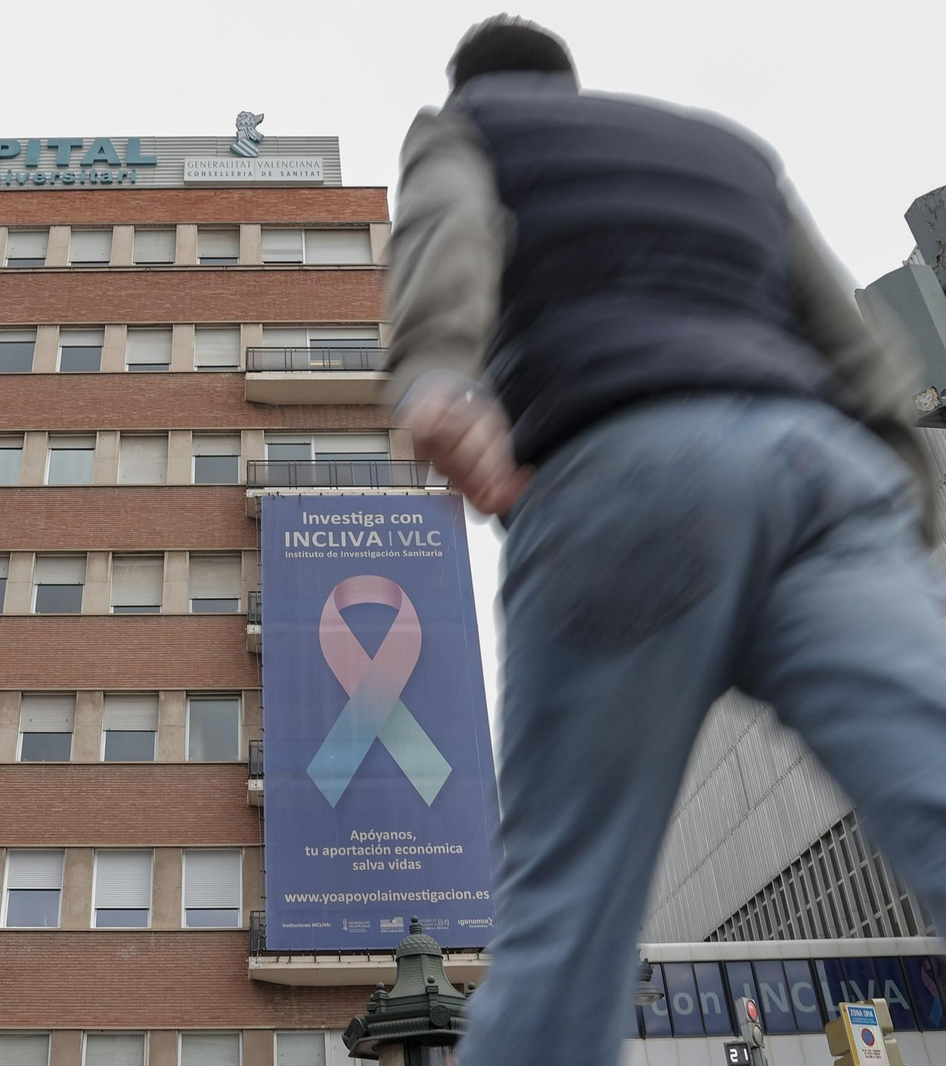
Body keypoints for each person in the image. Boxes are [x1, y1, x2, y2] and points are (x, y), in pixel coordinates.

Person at [387, 15, 946, 1066]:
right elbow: (863, 352)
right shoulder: (728, 150)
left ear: (473, 88)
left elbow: (447, 235)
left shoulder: (465, 128)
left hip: (629, 467)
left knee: (567, 912)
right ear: (572, 80)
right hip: (819, 469)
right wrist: (900, 527)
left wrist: (431, 379)